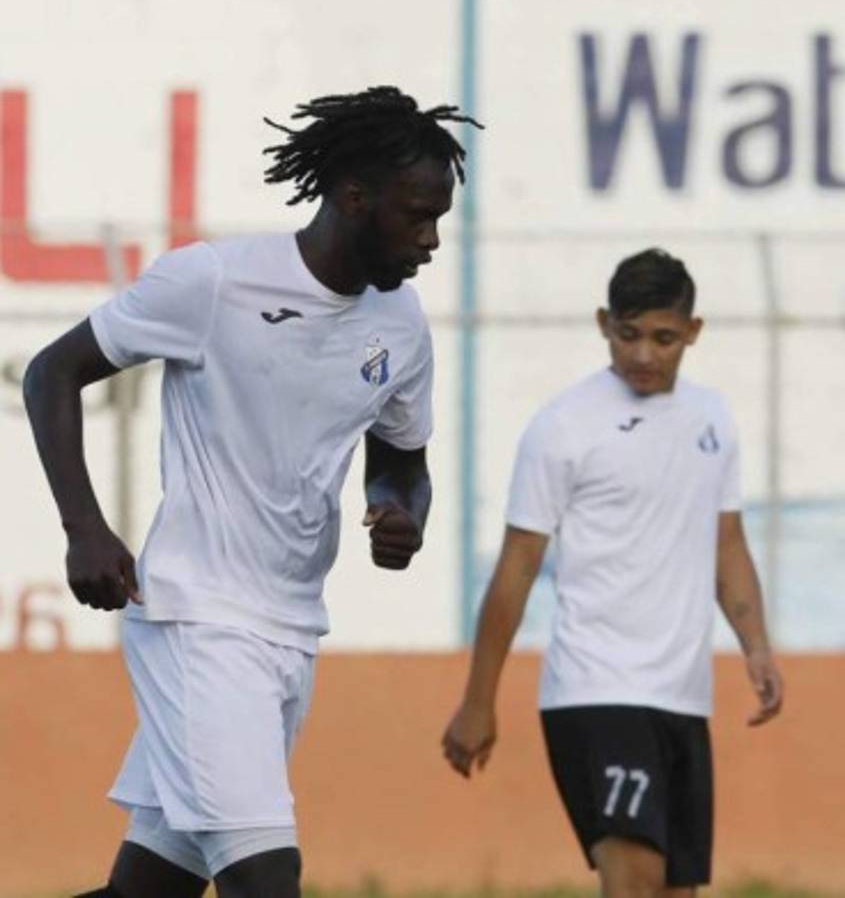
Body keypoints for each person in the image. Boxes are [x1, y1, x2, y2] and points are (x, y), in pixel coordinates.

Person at [23, 86, 481, 898]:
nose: (430, 238)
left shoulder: (400, 325)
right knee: (267, 880)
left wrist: (400, 510)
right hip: (198, 620)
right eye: (416, 214)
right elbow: (53, 372)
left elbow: (401, 459)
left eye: (438, 217)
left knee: (148, 892)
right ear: (352, 198)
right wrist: (84, 528)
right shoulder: (215, 282)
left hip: (288, 630)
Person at [442, 248, 784, 898]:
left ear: (692, 332)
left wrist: (756, 646)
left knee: (672, 892)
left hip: (681, 698)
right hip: (595, 689)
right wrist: (477, 700)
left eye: (663, 337)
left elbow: (727, 545)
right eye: (628, 335)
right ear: (604, 324)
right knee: (634, 882)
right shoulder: (564, 425)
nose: (644, 355)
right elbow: (517, 566)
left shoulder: (711, 418)